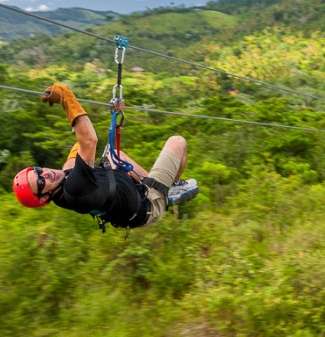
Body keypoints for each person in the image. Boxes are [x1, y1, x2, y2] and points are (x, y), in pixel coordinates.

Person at [12, 83, 198, 230]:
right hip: (149, 205)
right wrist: (65, 97)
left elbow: (76, 153)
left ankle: (159, 186)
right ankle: (169, 190)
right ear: (44, 199)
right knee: (178, 142)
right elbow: (89, 141)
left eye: (37, 171)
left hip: (132, 198)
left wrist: (79, 130)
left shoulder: (63, 183)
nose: (44, 174)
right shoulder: (75, 188)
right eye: (41, 182)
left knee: (113, 154)